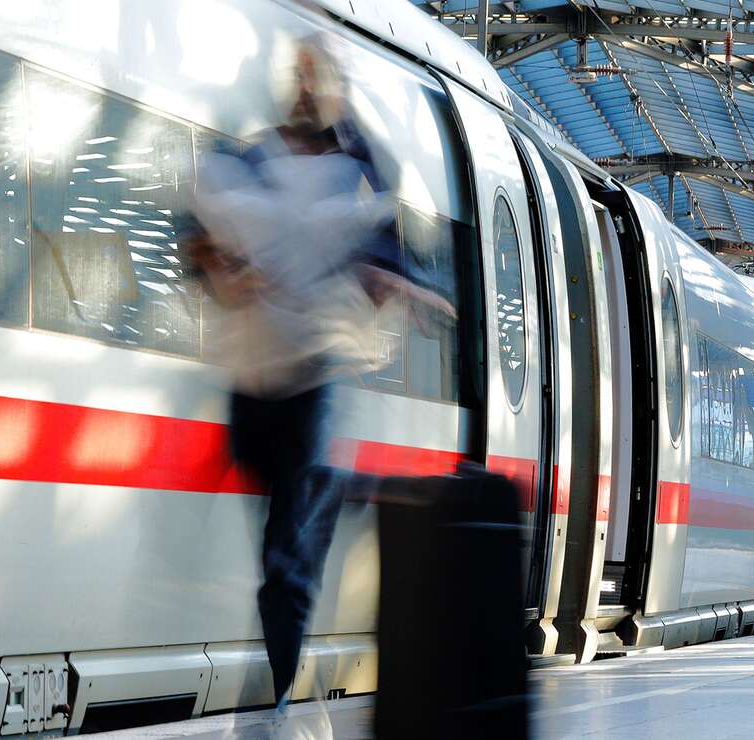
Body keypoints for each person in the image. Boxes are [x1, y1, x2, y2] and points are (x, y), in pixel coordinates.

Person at [185, 32, 450, 717]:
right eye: (297, 76)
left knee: (284, 559)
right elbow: (195, 241)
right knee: (268, 499)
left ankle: (278, 695)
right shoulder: (250, 157)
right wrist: (223, 270)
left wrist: (398, 285)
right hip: (253, 376)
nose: (305, 89)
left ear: (336, 89)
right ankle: (346, 485)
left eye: (317, 77)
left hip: (318, 370)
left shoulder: (360, 168)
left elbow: (397, 255)